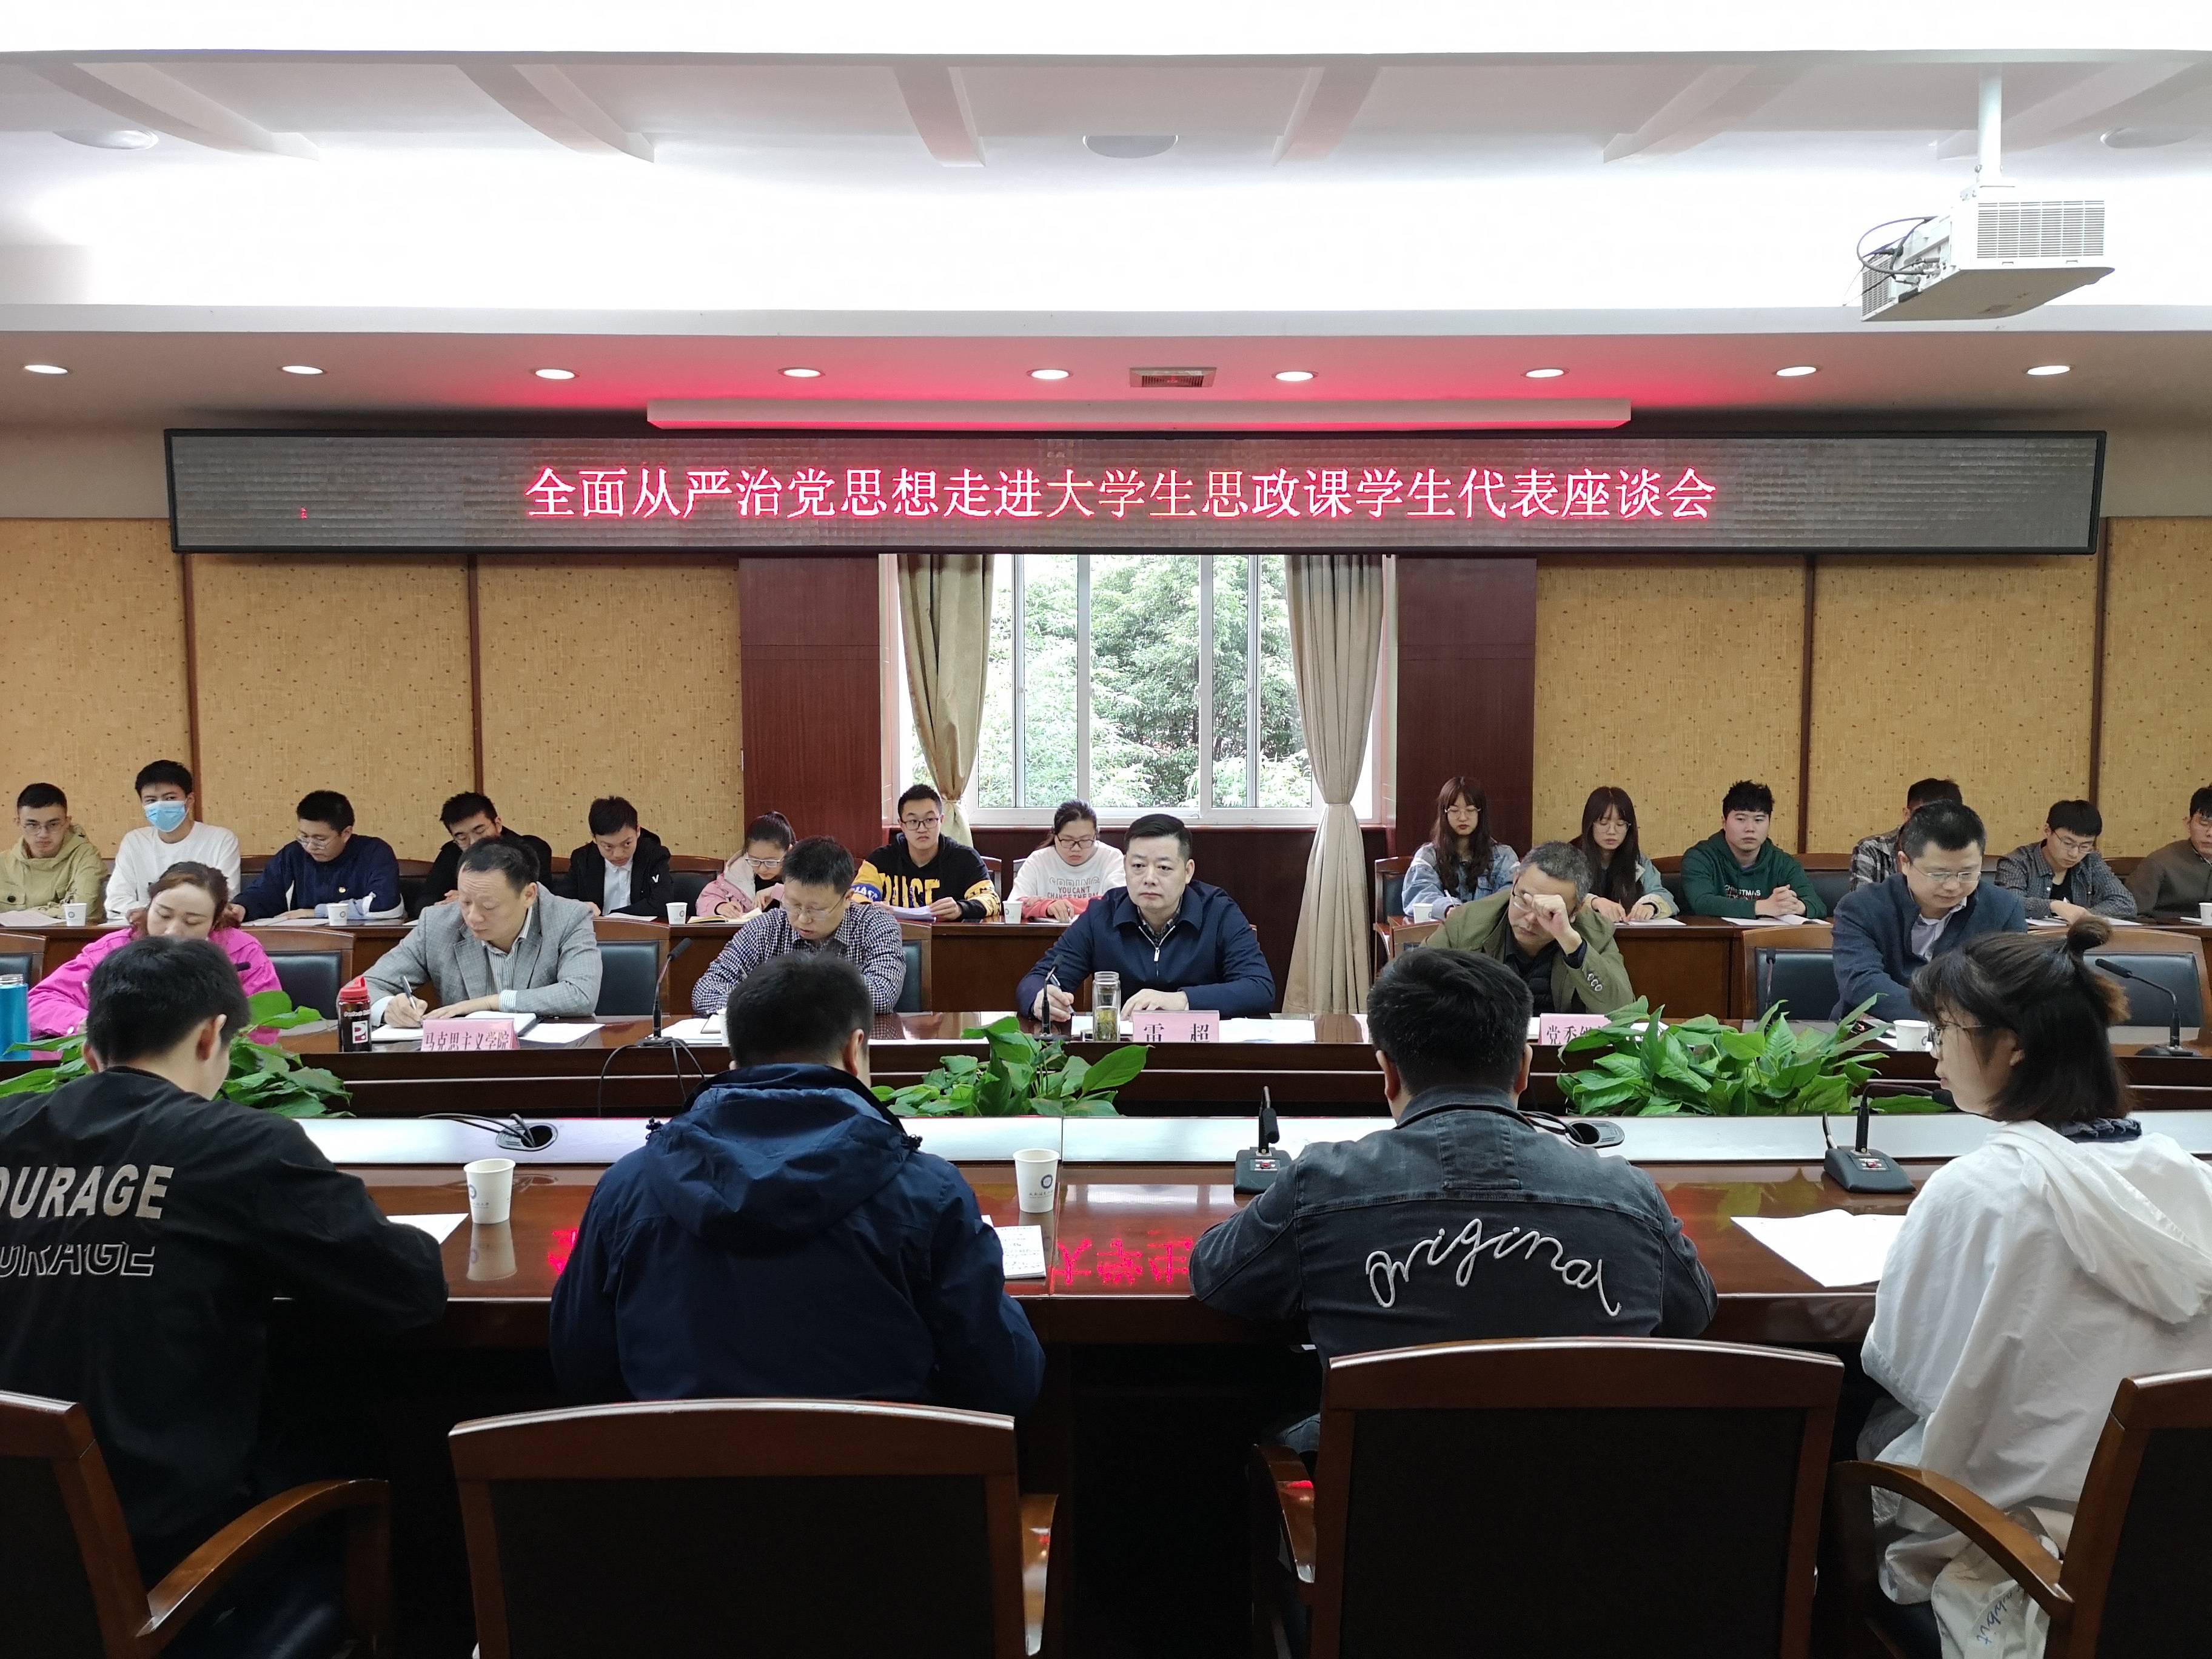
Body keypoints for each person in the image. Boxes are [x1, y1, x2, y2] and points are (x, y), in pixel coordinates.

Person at [0, 935, 446, 1600]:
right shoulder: (239, 1144)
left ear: (91, 1052)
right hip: (168, 1564)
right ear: (212, 1036)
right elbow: (410, 1293)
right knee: (363, 1432)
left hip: (20, 1545)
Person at [1190, 948, 1715, 1455]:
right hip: (1587, 1508)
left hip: (1384, 1508)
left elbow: (1216, 1276)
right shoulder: (1628, 1195)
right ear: (1524, 1069)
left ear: (1388, 1073)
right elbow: (1693, 1314)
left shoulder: (1320, 1184)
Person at [1857, 919, 2212, 1657]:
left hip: (2025, 1547)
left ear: (2014, 1045)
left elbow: (1908, 1366)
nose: (1935, 1052)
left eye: (1945, 1030)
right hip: (2175, 1545)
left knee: (1861, 1426)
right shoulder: (2188, 1175)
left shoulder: (1979, 1190)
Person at [552, 952, 1044, 1414]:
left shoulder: (627, 1189)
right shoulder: (928, 1193)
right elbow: (1005, 1382)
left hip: (677, 1477)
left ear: (733, 1062)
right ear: (854, 1051)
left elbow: (579, 1368)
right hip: (883, 1478)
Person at [1018, 813, 1274, 1021]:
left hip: (1202, 1052)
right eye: (1138, 866)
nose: (1149, 878)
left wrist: (1181, 1000)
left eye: (1164, 868)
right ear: (1125, 867)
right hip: (1122, 1055)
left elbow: (1259, 987)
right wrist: (1040, 998)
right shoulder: (1102, 915)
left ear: (1187, 871)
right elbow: (1036, 980)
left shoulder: (1218, 911)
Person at [364, 840, 602, 1027]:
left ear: (529, 895)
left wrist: (491, 1003)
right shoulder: (438, 924)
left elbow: (580, 994)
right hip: (466, 1063)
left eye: (489, 906)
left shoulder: (568, 918)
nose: (473, 917)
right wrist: (388, 1007)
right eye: (466, 902)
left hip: (544, 1060)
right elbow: (364, 988)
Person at [29, 862, 281, 1038]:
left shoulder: (242, 952)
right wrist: (83, 1023)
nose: (172, 931)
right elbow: (40, 1000)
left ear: (214, 923)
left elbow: (266, 1024)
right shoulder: (115, 948)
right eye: (163, 915)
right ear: (150, 906)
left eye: (192, 922)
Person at [1831, 800, 2025, 1021]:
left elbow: (2014, 985)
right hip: (1872, 1031)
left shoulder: (2004, 909)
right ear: (1905, 863)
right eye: (1939, 874)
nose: (1953, 886)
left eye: (1967, 873)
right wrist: (1946, 1017)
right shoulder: (1860, 908)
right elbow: (1862, 984)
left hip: (1971, 1034)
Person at [690, 837, 907, 1014]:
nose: (802, 919)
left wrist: (782, 996)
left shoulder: (876, 925)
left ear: (847, 898)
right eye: (793, 904)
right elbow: (706, 991)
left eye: (816, 910)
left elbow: (882, 994)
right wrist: (775, 1004)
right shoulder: (766, 928)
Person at [1423, 840, 1637, 1016]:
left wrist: (1573, 946)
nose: (1531, 918)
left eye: (1549, 911)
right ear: (1515, 881)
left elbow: (1624, 1012)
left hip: (1562, 1052)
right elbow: (1411, 986)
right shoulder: (1466, 923)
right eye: (1525, 900)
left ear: (1576, 911)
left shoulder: (1595, 934)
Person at [235, 790, 404, 922]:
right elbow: (265, 892)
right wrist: (242, 907)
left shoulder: (375, 852)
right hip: (305, 944)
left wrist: (315, 912)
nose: (309, 847)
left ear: (346, 833)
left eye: (320, 840)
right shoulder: (293, 854)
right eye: (304, 836)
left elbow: (385, 906)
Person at [104, 760, 241, 920]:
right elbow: (116, 901)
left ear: (189, 800)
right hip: (146, 929)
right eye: (151, 801)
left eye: (170, 798)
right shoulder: (134, 841)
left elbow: (225, 898)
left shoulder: (221, 840)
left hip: (199, 927)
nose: (160, 805)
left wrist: (160, 913)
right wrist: (158, 916)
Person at [1681, 781, 1826, 920]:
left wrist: (1797, 906)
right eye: (1741, 819)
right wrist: (1763, 907)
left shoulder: (1783, 863)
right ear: (1724, 823)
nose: (1750, 828)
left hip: (1766, 937)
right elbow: (1702, 902)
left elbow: (1817, 905)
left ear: (1769, 823)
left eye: (1759, 820)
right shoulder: (1699, 857)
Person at [854, 784, 1002, 920]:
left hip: (948, 938)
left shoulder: (966, 859)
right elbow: (855, 899)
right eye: (913, 821)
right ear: (902, 825)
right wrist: (871, 909)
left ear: (941, 820)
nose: (922, 829)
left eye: (930, 820)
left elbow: (992, 900)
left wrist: (961, 908)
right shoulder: (879, 861)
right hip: (891, 937)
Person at [1994, 799, 2137, 923]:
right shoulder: (2018, 862)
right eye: (2068, 843)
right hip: (2030, 942)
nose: (2074, 854)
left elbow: (2126, 903)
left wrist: (2083, 915)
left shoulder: (2091, 861)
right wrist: (2054, 906)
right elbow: (2007, 904)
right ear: (2047, 830)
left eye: (2085, 846)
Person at [416, 792, 552, 914]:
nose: (473, 842)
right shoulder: (451, 853)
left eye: (480, 831)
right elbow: (424, 904)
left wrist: (468, 899)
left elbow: (542, 901)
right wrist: (447, 904)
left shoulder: (532, 849)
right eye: (462, 838)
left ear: (498, 824)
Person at [1401, 776, 1518, 917]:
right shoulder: (1427, 856)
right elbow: (1419, 894)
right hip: (1444, 929)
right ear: (1444, 813)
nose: (1463, 818)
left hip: (1488, 929)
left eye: (1470, 810)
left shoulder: (1504, 857)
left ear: (1481, 813)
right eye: (1455, 811)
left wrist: (1480, 913)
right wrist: (1448, 909)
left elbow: (1514, 895)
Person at [1008, 799, 1126, 921]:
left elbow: (1117, 903)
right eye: (1068, 840)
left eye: (1085, 840)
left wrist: (1050, 905)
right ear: (1055, 835)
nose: (1076, 848)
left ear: (1095, 835)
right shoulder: (1038, 860)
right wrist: (1047, 906)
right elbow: (1014, 905)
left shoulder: (1112, 858)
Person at [1571, 786, 1676, 922]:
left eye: (1620, 824)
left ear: (1629, 828)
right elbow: (1556, 897)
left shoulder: (1638, 860)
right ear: (1590, 825)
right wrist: (1594, 902)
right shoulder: (1570, 857)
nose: (1612, 831)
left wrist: (1651, 906)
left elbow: (1664, 896)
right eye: (1603, 823)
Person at [1, 782, 103, 917]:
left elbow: (81, 909)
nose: (43, 834)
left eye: (53, 824)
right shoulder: (3, 863)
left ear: (67, 823)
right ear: (18, 823)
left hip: (70, 933)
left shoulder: (86, 856)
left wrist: (22, 916)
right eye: (32, 825)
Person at [563, 796, 674, 919]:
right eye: (608, 847)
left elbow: (662, 904)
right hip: (594, 930)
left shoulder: (653, 855)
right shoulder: (582, 860)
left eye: (627, 844)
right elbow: (563, 903)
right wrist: (581, 907)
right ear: (594, 838)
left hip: (642, 930)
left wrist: (612, 917)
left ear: (638, 831)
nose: (618, 854)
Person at [1850, 778, 1963, 893]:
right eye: (1924, 818)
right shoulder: (1872, 849)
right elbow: (1860, 901)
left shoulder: (1960, 852)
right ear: (1907, 815)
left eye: (1943, 821)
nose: (1932, 827)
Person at [2125, 784, 2212, 916]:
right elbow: (2131, 915)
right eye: (2204, 823)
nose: (2210, 833)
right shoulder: (2158, 863)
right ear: (2188, 824)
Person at [695, 811, 796, 921]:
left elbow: (808, 901)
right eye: (755, 860)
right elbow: (705, 900)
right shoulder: (738, 872)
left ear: (788, 851)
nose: (762, 869)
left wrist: (778, 891)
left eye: (770, 862)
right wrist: (720, 907)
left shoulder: (803, 871)